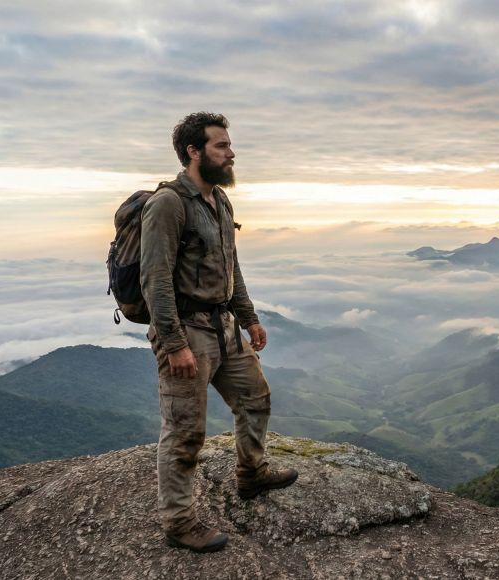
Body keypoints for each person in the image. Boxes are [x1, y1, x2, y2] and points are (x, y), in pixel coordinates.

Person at [141, 112, 297, 553]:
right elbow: (156, 278)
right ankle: (179, 522)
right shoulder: (169, 204)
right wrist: (174, 344)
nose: (231, 153)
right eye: (221, 146)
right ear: (194, 152)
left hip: (225, 327)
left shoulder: (220, 202)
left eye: (229, 146)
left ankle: (251, 475)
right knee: (185, 430)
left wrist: (248, 318)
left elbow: (231, 265)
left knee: (255, 398)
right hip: (187, 332)